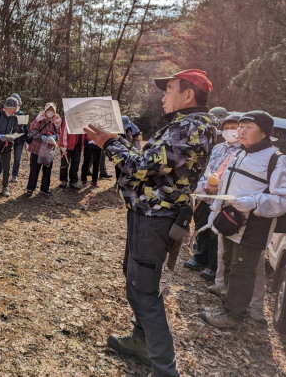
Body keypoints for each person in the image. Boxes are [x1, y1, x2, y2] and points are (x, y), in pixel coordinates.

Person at [86, 69, 216, 377]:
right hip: (147, 213)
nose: (163, 95)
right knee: (134, 280)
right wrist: (117, 141)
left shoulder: (192, 126)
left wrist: (109, 142)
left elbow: (143, 167)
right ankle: (141, 340)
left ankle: (164, 369)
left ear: (189, 94)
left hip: (157, 217)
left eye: (169, 89)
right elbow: (152, 164)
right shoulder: (184, 125)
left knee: (143, 290)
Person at [201, 111, 286, 329]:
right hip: (230, 220)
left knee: (243, 270)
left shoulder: (277, 160)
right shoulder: (239, 153)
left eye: (248, 127)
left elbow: (282, 200)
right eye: (240, 126)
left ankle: (234, 316)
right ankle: (227, 306)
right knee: (228, 263)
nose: (241, 131)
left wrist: (254, 202)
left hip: (254, 226)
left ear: (265, 132)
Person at [186, 114, 240, 281]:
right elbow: (205, 168)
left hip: (221, 198)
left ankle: (213, 265)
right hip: (205, 195)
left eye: (234, 127)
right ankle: (199, 257)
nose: (229, 131)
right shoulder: (217, 148)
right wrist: (203, 185)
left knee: (216, 231)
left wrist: (216, 187)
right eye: (226, 127)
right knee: (201, 225)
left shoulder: (241, 151)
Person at [26, 102, 62, 196]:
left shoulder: (56, 121)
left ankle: (45, 189)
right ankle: (30, 188)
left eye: (52, 110)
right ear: (45, 110)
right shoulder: (39, 119)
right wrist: (42, 136)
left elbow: (59, 133)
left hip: (49, 150)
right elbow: (32, 130)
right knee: (34, 169)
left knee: (47, 170)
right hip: (37, 148)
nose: (50, 112)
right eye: (48, 110)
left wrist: (54, 137)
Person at [0, 93, 27, 183]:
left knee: (17, 159)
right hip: (8, 139)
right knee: (2, 158)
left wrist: (26, 141)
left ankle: (14, 175)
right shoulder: (5, 114)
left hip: (19, 140)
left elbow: (25, 128)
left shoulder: (22, 114)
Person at [59, 119, 84, 189]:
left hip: (78, 145)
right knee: (64, 163)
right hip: (67, 145)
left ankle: (73, 181)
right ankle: (63, 180)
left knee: (76, 163)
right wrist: (63, 144)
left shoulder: (83, 119)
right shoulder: (69, 117)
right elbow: (64, 131)